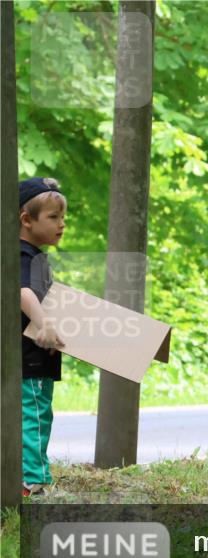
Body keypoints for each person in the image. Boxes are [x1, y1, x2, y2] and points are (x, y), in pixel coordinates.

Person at [18, 177, 67, 496]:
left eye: (63, 217)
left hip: (34, 358)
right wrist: (44, 324)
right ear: (27, 220)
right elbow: (22, 291)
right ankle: (32, 480)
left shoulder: (34, 255)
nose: (61, 224)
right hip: (31, 358)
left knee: (33, 415)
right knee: (35, 415)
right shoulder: (24, 255)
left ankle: (30, 474)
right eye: (53, 217)